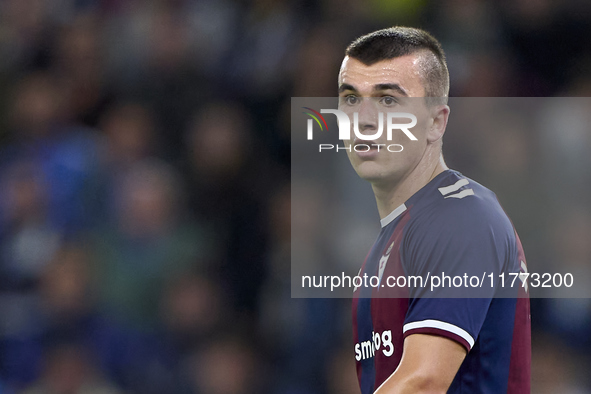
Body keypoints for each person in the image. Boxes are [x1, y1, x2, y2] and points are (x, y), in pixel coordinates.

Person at [340, 27, 531, 393]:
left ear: (436, 122)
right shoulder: (395, 236)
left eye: (388, 100)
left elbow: (424, 382)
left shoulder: (461, 217)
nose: (364, 119)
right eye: (351, 98)